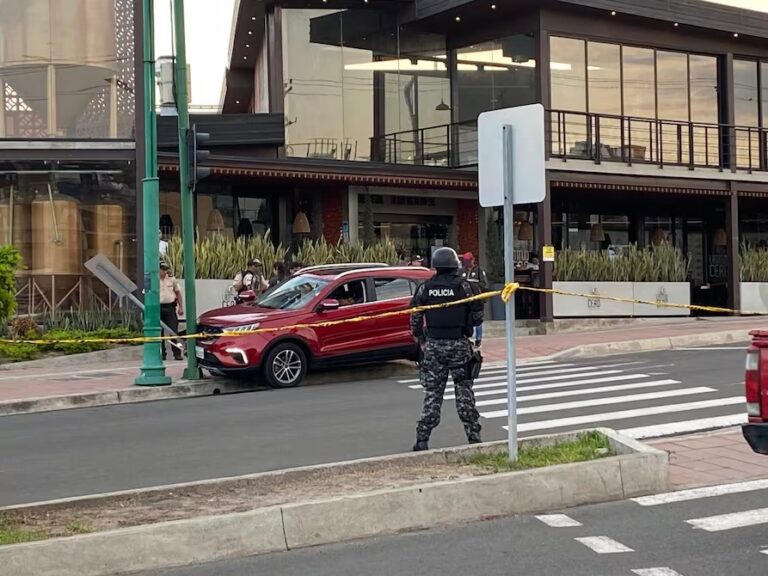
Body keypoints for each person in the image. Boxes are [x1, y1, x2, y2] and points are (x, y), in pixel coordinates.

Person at [410, 246, 483, 451]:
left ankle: (422, 439)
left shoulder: (425, 288)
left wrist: (421, 341)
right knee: (464, 392)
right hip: (459, 345)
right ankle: (474, 437)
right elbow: (478, 318)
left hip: (433, 346)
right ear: (455, 265)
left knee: (433, 394)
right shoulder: (467, 288)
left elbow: (415, 317)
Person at [460, 252, 488, 348]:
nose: (467, 263)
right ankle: (466, 338)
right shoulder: (461, 271)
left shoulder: (479, 271)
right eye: (465, 261)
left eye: (469, 261)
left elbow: (484, 284)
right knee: (465, 318)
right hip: (465, 300)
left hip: (477, 300)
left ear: (473, 260)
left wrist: (474, 287)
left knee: (478, 319)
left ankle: (478, 339)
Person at [159, 261, 183, 361]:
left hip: (170, 307)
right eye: (162, 269)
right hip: (157, 308)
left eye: (166, 270)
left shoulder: (171, 279)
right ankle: (162, 354)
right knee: (159, 333)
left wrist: (181, 307)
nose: (164, 272)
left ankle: (177, 353)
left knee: (173, 331)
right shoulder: (152, 279)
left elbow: (178, 293)